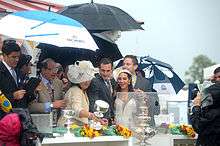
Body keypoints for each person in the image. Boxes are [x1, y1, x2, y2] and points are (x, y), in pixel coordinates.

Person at [58, 61, 98, 125]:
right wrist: (93, 116)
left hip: (76, 127)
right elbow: (77, 110)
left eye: (89, 78)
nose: (87, 82)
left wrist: (97, 119)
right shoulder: (75, 90)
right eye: (83, 79)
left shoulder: (81, 90)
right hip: (68, 128)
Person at [29, 58, 66, 126]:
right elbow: (31, 107)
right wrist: (51, 105)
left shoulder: (59, 83)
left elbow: (62, 102)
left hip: (57, 124)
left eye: (55, 69)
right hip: (40, 124)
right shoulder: (34, 83)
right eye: (50, 69)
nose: (54, 72)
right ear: (43, 70)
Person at [190, 67, 220, 146]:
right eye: (215, 77)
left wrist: (196, 107)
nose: (216, 80)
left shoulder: (213, 111)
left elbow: (197, 126)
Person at [87, 58, 116, 124]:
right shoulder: (95, 81)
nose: (105, 73)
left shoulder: (112, 81)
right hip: (100, 120)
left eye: (108, 71)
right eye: (103, 70)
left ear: (112, 70)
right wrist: (98, 119)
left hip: (109, 119)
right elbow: (93, 102)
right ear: (99, 69)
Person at [0, 39, 26, 109]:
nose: (17, 60)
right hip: (4, 116)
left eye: (18, 57)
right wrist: (13, 96)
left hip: (20, 114)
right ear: (5, 55)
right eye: (13, 57)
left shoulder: (18, 71)